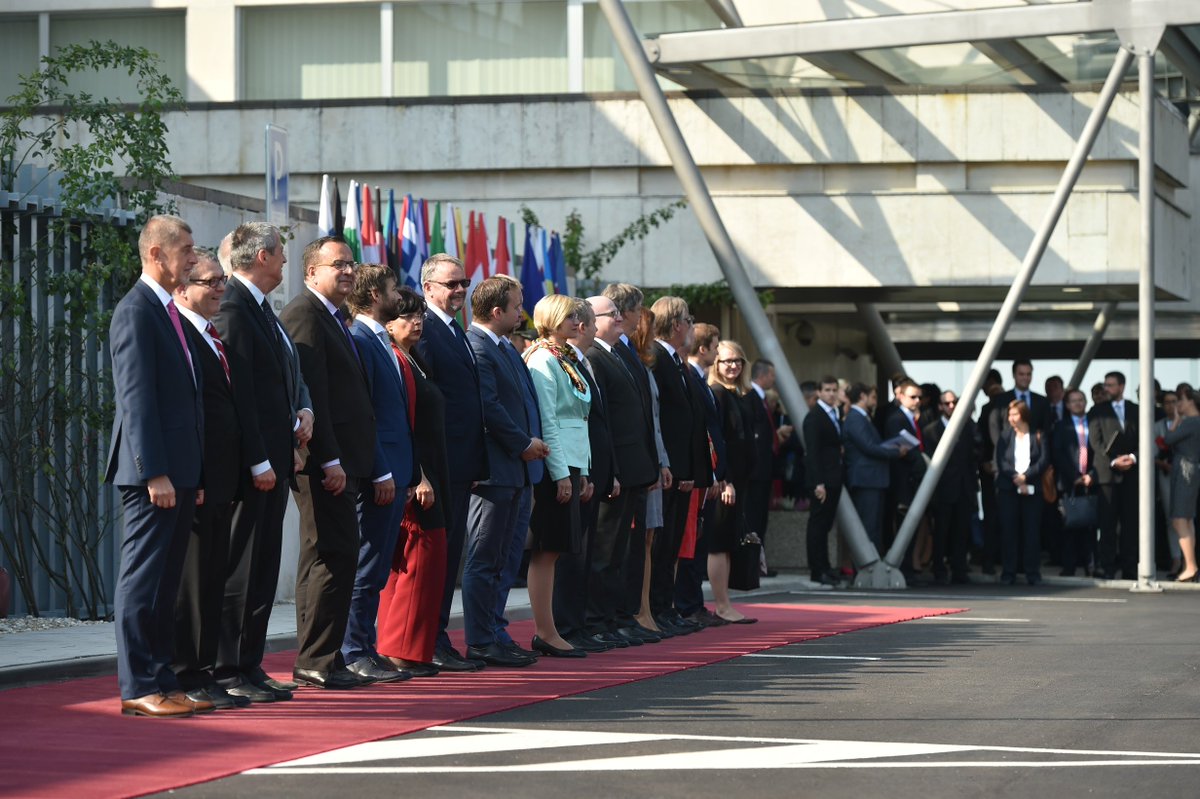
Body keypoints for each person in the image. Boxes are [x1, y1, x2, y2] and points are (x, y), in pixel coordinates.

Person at [106, 214, 210, 718]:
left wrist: (194, 474)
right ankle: (138, 685)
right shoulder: (136, 310)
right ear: (155, 253)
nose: (192, 258)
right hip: (154, 473)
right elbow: (137, 399)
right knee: (143, 580)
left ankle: (163, 679)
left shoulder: (167, 309)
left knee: (166, 584)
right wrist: (154, 471)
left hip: (179, 472)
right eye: (185, 249)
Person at [212, 224, 311, 704]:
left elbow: (282, 381)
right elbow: (242, 398)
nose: (285, 261)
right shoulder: (233, 309)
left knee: (263, 568)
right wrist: (258, 460)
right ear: (261, 257)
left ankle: (249, 664)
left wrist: (300, 415)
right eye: (281, 253)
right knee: (241, 570)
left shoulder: (262, 310)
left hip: (276, 459)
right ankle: (228, 667)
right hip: (255, 467)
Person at [279, 236, 377, 689]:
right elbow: (311, 396)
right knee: (329, 556)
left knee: (332, 556)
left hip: (344, 461)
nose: (349, 271)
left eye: (351, 264)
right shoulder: (305, 314)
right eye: (338, 264)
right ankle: (317, 660)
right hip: (324, 465)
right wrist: (329, 459)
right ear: (311, 272)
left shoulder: (334, 317)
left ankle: (324, 656)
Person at [170, 249, 251, 710]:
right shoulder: (181, 335)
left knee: (213, 579)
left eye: (222, 279)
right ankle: (186, 672)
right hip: (198, 478)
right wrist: (196, 474)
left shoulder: (211, 335)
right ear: (183, 289)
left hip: (223, 478)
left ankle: (204, 671)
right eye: (211, 281)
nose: (221, 287)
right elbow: (187, 414)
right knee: (193, 582)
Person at [464, 276, 547, 667]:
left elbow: (522, 402)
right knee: (485, 558)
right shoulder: (477, 346)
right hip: (495, 471)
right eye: (517, 306)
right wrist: (523, 443)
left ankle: (496, 632)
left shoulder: (504, 346)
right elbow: (489, 406)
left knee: (506, 559)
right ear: (497, 311)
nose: (521, 312)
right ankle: (481, 639)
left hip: (518, 471)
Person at [342, 264, 419, 683]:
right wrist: (380, 471)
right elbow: (365, 414)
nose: (398, 296)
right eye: (392, 289)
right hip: (380, 473)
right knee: (366, 566)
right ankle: (353, 650)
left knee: (377, 567)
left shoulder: (378, 340)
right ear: (375, 296)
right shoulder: (359, 339)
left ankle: (365, 646)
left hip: (396, 470)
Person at [415, 253, 490, 672]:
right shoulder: (426, 330)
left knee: (449, 557)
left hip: (460, 465)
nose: (460, 290)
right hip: (438, 465)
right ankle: (431, 641)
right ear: (428, 288)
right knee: (437, 560)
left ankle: (438, 636)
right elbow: (425, 405)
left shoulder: (455, 330)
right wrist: (424, 471)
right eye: (451, 284)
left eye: (464, 283)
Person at [376, 289, 447, 677]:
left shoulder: (414, 358)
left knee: (428, 563)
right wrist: (418, 475)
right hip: (416, 476)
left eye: (420, 315)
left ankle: (413, 649)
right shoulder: (396, 359)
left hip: (432, 469)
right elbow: (404, 425)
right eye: (407, 315)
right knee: (413, 564)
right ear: (389, 323)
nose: (417, 322)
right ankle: (396, 649)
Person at [585, 295, 661, 648]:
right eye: (611, 314)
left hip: (634, 468)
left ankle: (617, 617)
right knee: (605, 549)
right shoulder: (594, 356)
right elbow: (604, 422)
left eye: (619, 312)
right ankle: (597, 619)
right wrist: (613, 470)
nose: (619, 318)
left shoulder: (618, 354)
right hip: (615, 470)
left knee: (621, 550)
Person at [523, 294, 592, 657]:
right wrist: (561, 473)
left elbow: (580, 416)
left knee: (556, 549)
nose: (576, 322)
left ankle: (549, 630)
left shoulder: (562, 357)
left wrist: (584, 470)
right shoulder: (542, 359)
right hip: (556, 463)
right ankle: (545, 631)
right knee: (547, 548)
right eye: (569, 317)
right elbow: (548, 420)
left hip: (572, 460)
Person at [557, 299, 620, 651]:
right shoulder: (561, 360)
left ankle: (578, 624)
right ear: (581, 326)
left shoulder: (581, 361)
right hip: (573, 467)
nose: (596, 329)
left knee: (585, 551)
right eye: (593, 322)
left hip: (589, 467)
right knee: (572, 553)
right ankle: (566, 625)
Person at [648, 295, 707, 636]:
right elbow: (664, 422)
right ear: (676, 324)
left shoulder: (675, 360)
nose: (691, 326)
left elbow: (689, 420)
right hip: (669, 470)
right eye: (688, 319)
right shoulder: (657, 358)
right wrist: (675, 467)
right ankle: (657, 608)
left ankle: (665, 606)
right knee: (661, 544)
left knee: (671, 544)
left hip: (681, 469)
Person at [676, 322, 726, 628]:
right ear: (704, 348)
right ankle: (686, 604)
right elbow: (700, 429)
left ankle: (693, 602)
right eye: (716, 347)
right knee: (689, 540)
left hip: (706, 472)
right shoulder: (690, 375)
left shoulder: (699, 378)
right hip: (695, 471)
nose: (718, 353)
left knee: (697, 539)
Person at [707, 341, 757, 623]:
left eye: (738, 360)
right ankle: (721, 605)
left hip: (740, 478)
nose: (733, 366)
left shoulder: (740, 394)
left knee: (727, 541)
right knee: (719, 541)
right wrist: (724, 479)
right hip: (726, 480)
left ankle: (725, 603)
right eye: (726, 361)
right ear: (716, 364)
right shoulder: (717, 393)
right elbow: (718, 439)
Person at [923, 390, 978, 584]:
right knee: (941, 531)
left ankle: (959, 569)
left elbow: (974, 455)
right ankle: (939, 569)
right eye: (947, 403)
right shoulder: (931, 430)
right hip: (942, 489)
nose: (952, 406)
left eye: (954, 402)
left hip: (964, 487)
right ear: (940, 406)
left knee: (961, 531)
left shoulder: (967, 427)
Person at [1088, 371, 1139, 580]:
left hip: (1132, 475)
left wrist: (1133, 458)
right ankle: (1107, 566)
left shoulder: (1136, 409)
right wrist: (1113, 461)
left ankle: (1130, 568)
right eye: (1105, 385)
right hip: (1107, 476)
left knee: (1131, 523)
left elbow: (1145, 438)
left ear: (1122, 386)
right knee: (1107, 524)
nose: (1107, 389)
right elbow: (1095, 442)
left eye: (1111, 385)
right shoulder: (1096, 411)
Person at [843, 383, 906, 551]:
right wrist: (896, 452)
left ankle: (872, 562)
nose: (875, 401)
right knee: (868, 528)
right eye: (873, 397)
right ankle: (867, 564)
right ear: (862, 396)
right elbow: (869, 447)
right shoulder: (856, 418)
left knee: (874, 527)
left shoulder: (862, 418)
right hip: (866, 480)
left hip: (872, 480)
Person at [994, 400, 1048, 586]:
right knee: (1009, 531)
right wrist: (1016, 477)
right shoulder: (1005, 436)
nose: (1011, 418)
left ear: (1024, 415)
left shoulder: (1038, 435)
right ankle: (1009, 572)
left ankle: (1032, 572)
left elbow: (1043, 461)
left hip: (1033, 489)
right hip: (1009, 489)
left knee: (1032, 532)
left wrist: (1026, 477)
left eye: (1015, 414)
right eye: (1010, 415)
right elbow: (1001, 461)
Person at [803, 376, 844, 586]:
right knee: (818, 525)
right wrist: (818, 482)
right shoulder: (814, 417)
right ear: (819, 392)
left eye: (834, 390)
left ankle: (825, 567)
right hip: (822, 480)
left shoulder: (834, 413)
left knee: (825, 525)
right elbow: (812, 453)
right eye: (827, 390)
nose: (831, 393)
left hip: (834, 477)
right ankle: (817, 570)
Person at [1053, 388, 1096, 577]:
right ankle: (1069, 566)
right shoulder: (1061, 426)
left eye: (1081, 399)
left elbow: (1099, 451)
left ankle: (1091, 566)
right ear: (1067, 405)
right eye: (1074, 400)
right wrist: (1074, 476)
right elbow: (1058, 454)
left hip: (1090, 481)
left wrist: (1091, 474)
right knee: (1068, 525)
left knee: (1090, 525)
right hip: (1069, 482)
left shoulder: (1094, 423)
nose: (1078, 403)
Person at [1164, 384, 1200, 582]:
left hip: (1185, 471)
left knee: (1179, 519)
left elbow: (1168, 438)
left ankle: (1191, 565)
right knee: (1187, 519)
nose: (1177, 405)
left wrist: (1176, 420)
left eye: (1181, 400)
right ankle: (1190, 565)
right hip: (1190, 470)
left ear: (1191, 401)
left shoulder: (1190, 422)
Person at [1153, 390, 1181, 576]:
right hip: (1166, 475)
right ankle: (1176, 559)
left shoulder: (1189, 423)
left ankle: (1189, 559)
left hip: (1187, 476)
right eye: (1167, 402)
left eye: (1174, 401)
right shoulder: (1157, 426)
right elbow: (1150, 452)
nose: (1171, 406)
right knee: (1172, 519)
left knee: (1188, 519)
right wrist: (1163, 463)